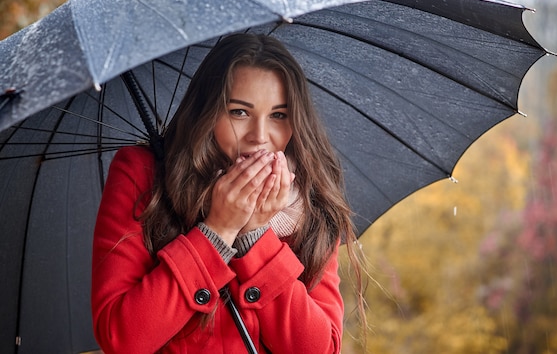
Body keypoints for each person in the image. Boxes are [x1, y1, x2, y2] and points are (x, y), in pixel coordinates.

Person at [91, 33, 364, 353]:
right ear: (208, 113)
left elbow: (320, 348)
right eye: (239, 112)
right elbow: (122, 338)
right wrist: (217, 231)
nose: (259, 137)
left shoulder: (308, 197)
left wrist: (257, 238)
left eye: (278, 115)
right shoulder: (144, 175)